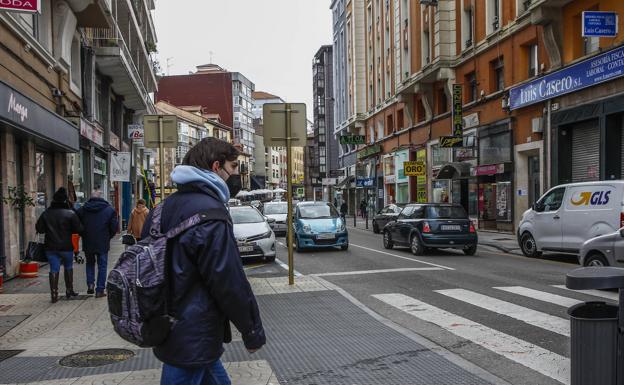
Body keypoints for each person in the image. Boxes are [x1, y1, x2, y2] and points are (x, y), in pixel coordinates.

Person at [141, 137, 265, 385]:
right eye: (232, 168)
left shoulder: (161, 209)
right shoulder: (212, 214)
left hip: (165, 319)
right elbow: (228, 280)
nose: (234, 176)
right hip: (194, 329)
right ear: (216, 167)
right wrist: (251, 331)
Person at [35, 187, 83, 303]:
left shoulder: (46, 213)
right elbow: (79, 229)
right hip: (66, 246)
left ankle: (54, 294)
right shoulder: (70, 213)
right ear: (65, 200)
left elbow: (39, 229)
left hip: (51, 247)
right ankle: (69, 290)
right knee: (68, 266)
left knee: (54, 268)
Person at [77, 189, 118, 298]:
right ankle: (100, 290)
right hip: (103, 241)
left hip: (88, 240)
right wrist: (109, 236)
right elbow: (114, 227)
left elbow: (77, 224)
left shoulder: (82, 209)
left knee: (90, 263)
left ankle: (90, 284)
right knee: (102, 265)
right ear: (101, 197)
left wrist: (83, 234)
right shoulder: (109, 210)